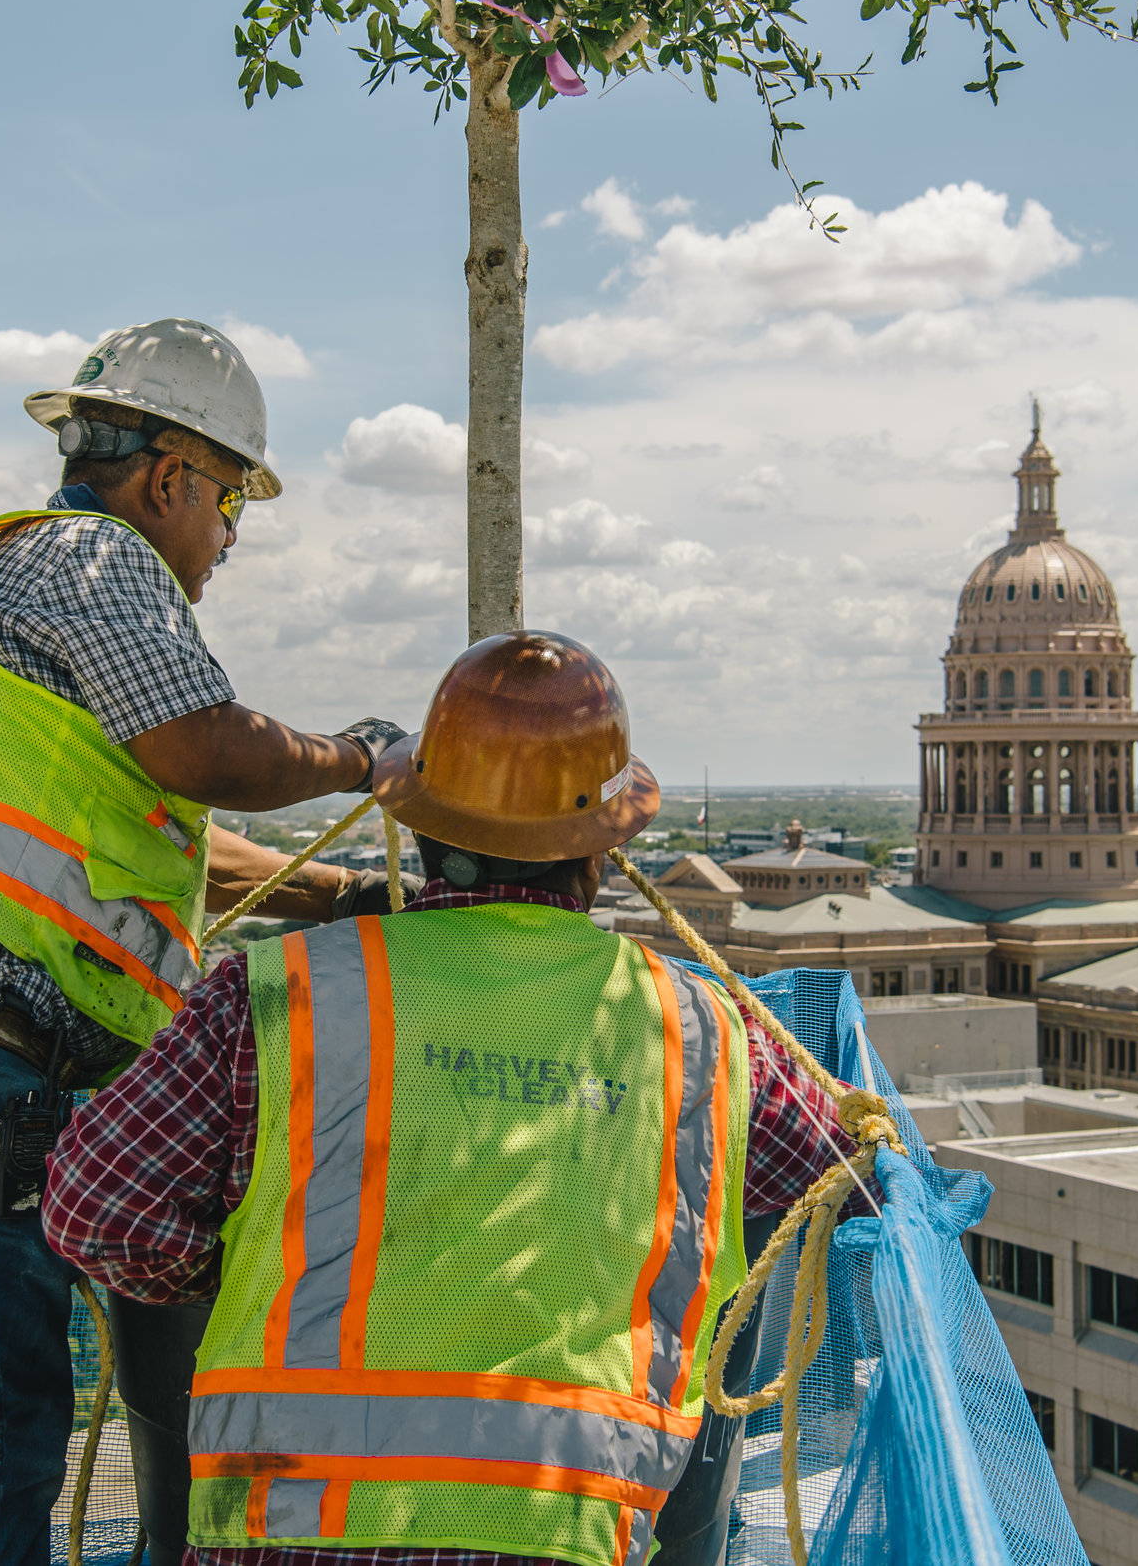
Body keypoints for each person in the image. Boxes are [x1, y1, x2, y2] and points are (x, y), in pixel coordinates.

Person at [0, 318, 411, 1566]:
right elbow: (204, 746)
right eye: (231, 499)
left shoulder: (33, 597)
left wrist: (344, 895)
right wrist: (366, 760)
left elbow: (161, 831)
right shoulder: (89, 556)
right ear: (169, 473)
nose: (229, 535)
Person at [42, 630, 856, 1566]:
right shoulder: (704, 1033)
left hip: (282, 1537)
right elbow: (837, 1176)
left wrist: (260, 1269)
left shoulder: (275, 997)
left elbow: (94, 1205)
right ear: (600, 852)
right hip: (567, 1538)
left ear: (419, 830)